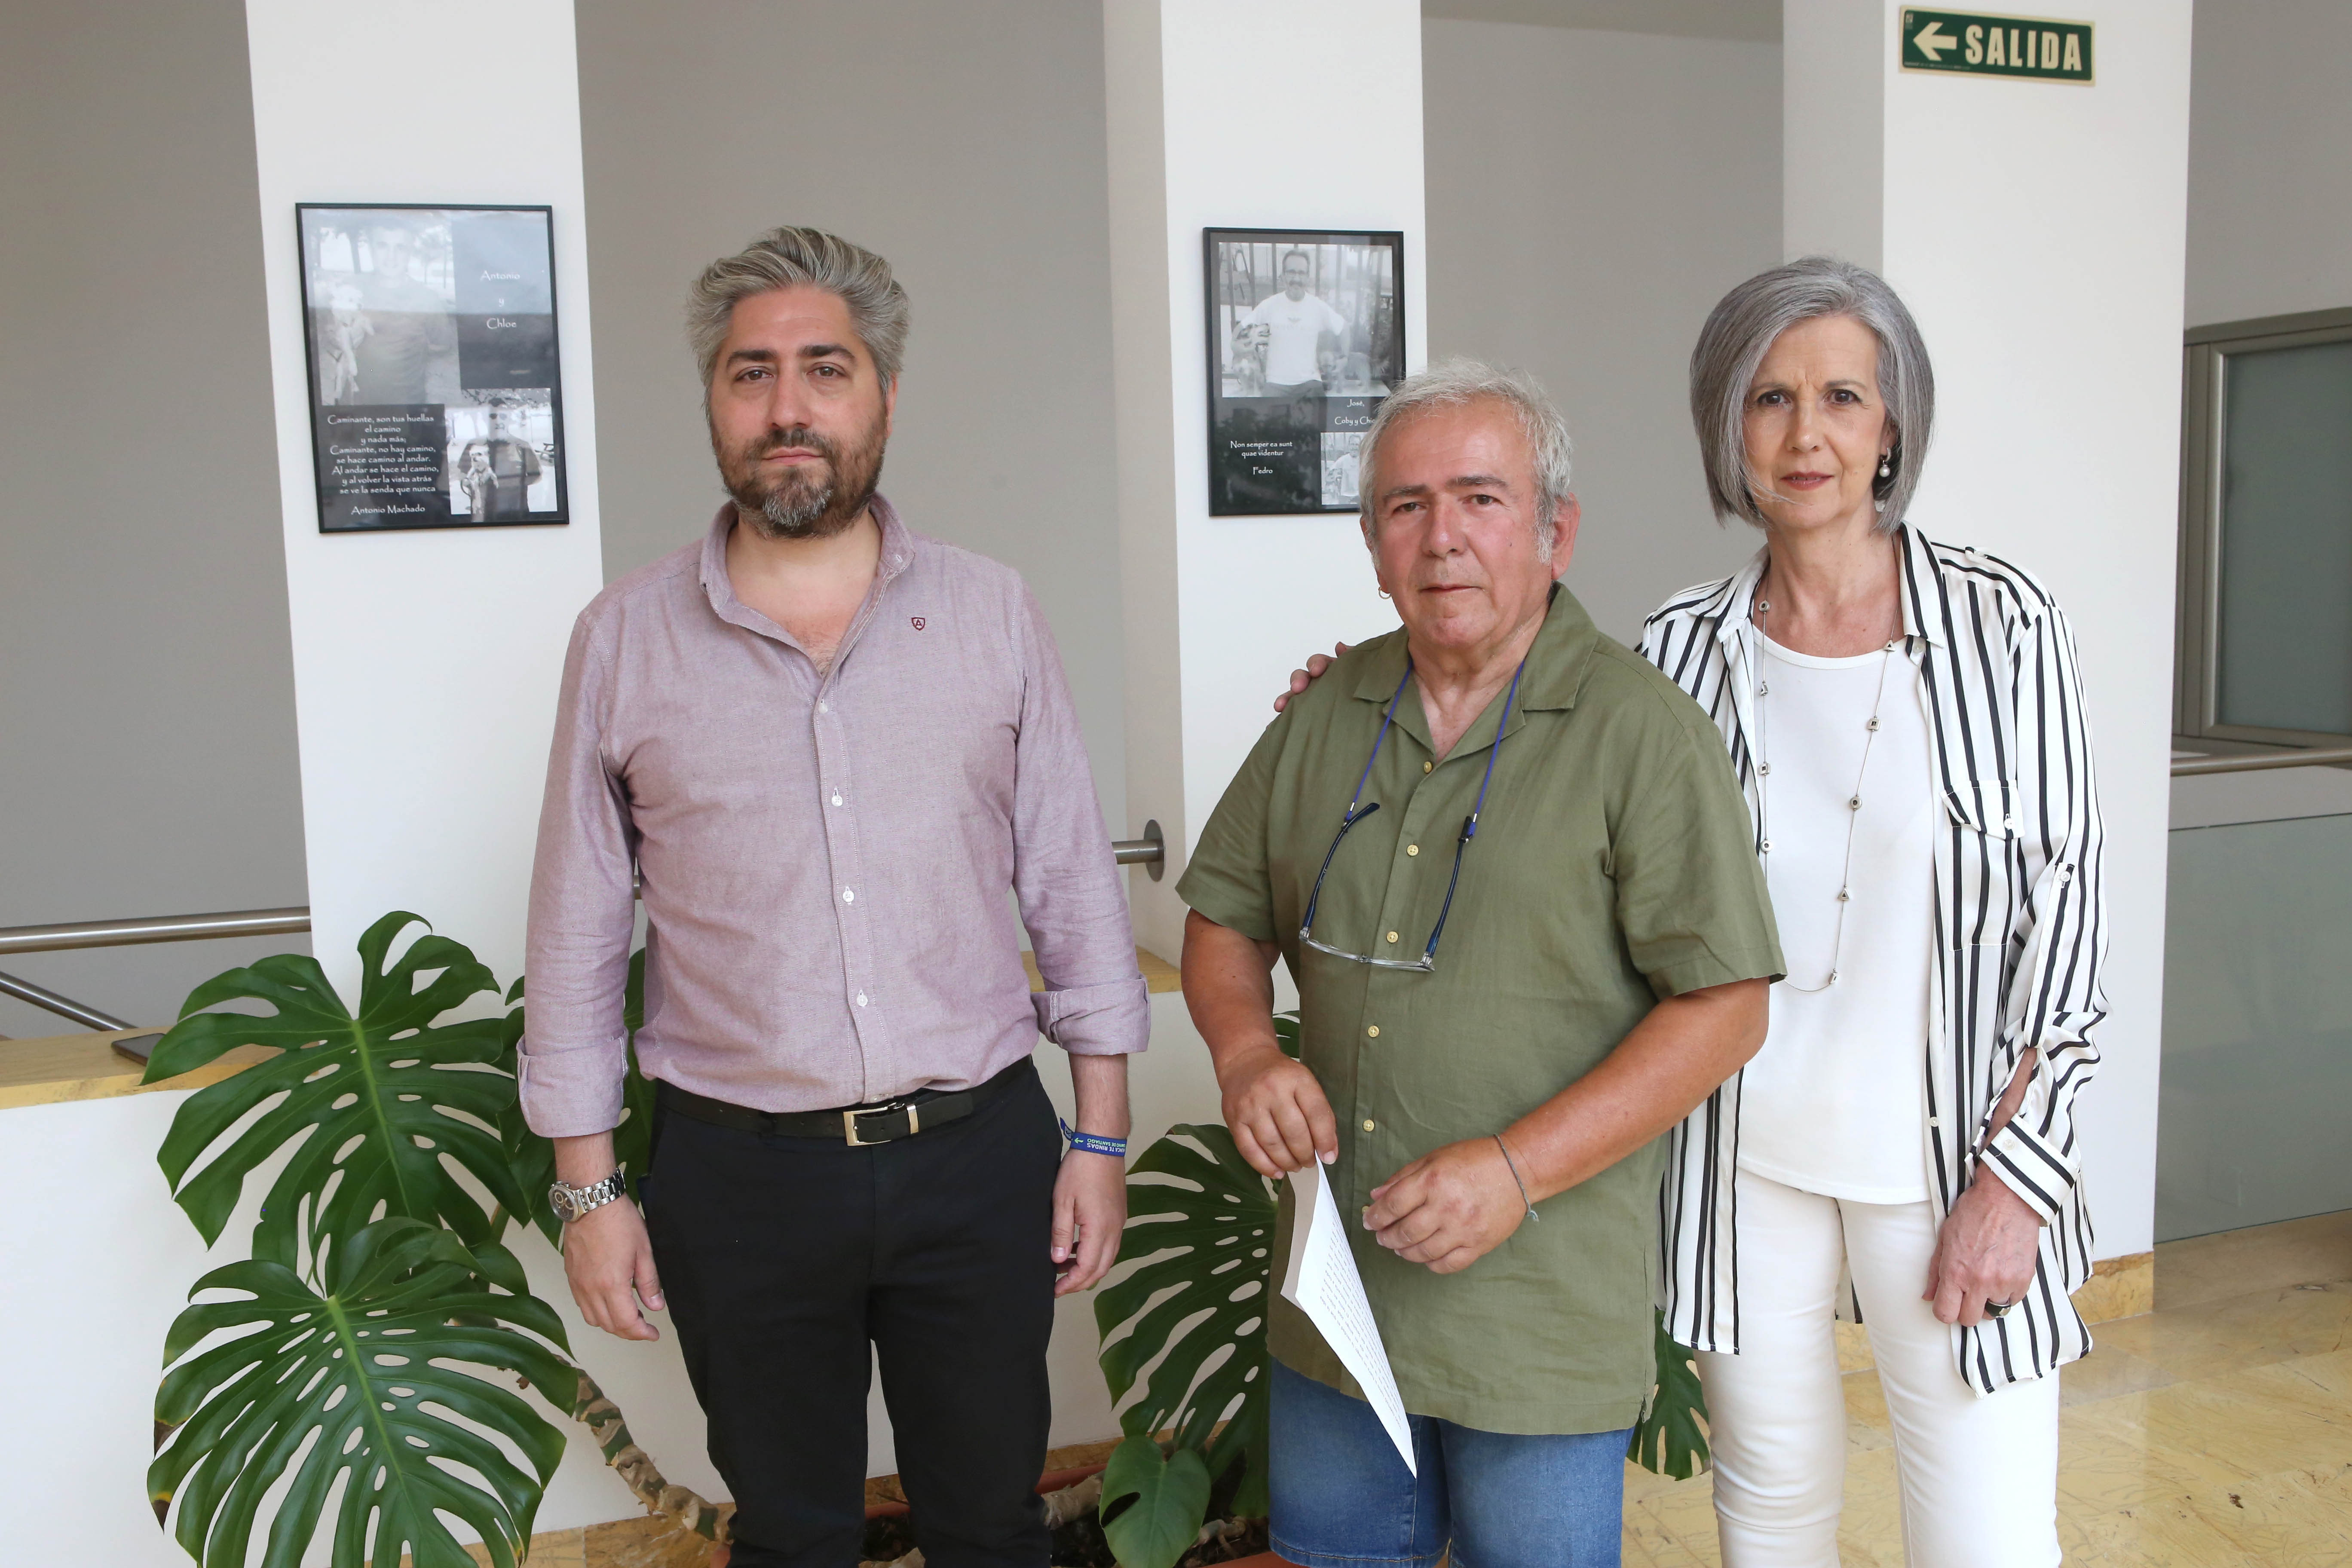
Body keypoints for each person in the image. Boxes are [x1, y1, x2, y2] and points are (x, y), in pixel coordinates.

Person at [1278, 260, 2107, 1567]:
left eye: (1843, 395)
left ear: (1893, 424)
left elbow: (2068, 934)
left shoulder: (2008, 627)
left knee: (1988, 1539)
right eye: (1769, 399)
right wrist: (1354, 692)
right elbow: (1498, 694)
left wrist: (2023, 1177)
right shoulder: (1680, 647)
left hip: (1950, 1162)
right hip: (1743, 1167)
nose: (1806, 432)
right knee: (1768, 1521)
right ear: (1730, 430)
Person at [519, 225, 1146, 1568]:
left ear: (884, 396)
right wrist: (592, 1193)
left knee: (990, 1523)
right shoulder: (623, 640)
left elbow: (1073, 884)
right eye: (752, 375)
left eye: (825, 369)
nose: (788, 408)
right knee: (793, 1535)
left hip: (977, 1155)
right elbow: (576, 937)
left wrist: (1098, 1139)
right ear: (712, 402)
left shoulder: (992, 614)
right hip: (736, 1174)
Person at [1181, 359, 1784, 1568]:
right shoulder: (1324, 713)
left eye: (1480, 500)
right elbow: (1224, 918)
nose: (1442, 538)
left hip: (1537, 1319)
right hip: (1338, 1309)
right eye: (1406, 507)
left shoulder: (1641, 735)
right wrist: (1247, 1050)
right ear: (1372, 542)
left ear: (1556, 532)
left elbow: (1724, 1009)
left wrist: (1516, 1169)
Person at [1240, 248, 1349, 396]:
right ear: (1284, 276)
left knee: (1323, 417)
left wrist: (1345, 358)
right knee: (1265, 418)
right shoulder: (1269, 305)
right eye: (1291, 272)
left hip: (1310, 383)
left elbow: (1343, 328)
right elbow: (1240, 331)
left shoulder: (1317, 306)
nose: (1296, 278)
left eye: (1301, 273)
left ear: (1308, 277)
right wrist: (1243, 354)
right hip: (1276, 384)